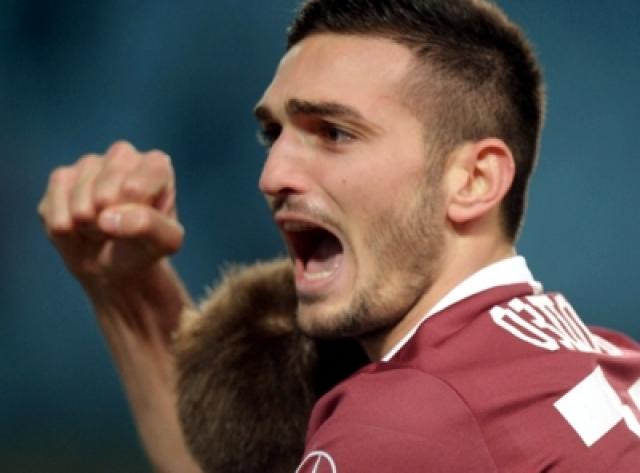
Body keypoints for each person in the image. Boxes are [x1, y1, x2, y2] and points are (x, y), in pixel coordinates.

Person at [38, 0, 640, 472]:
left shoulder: (407, 419)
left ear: (474, 180)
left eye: (333, 132)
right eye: (273, 134)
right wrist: (125, 292)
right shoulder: (612, 360)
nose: (271, 175)